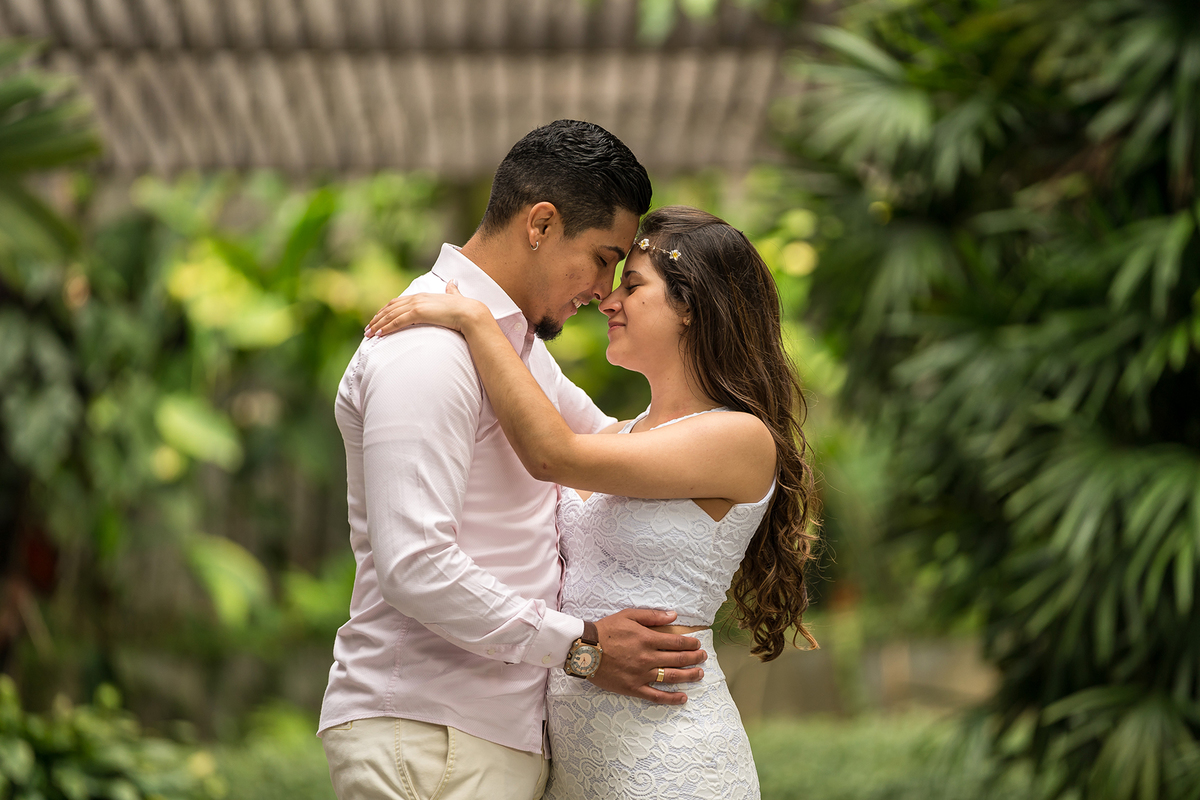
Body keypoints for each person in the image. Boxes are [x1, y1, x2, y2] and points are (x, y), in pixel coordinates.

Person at [366, 205, 820, 798]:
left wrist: (474, 320)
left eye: (631, 286)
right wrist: (484, 299)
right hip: (575, 768)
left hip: (669, 755)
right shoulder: (617, 436)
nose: (607, 300)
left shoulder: (738, 438)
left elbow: (552, 455)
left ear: (692, 307)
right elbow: (528, 365)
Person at [319, 123, 710, 800]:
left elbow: (619, 448)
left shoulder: (513, 348)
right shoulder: (427, 351)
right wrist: (583, 646)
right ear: (541, 224)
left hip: (483, 737)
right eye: (601, 257)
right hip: (427, 733)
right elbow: (414, 566)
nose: (604, 290)